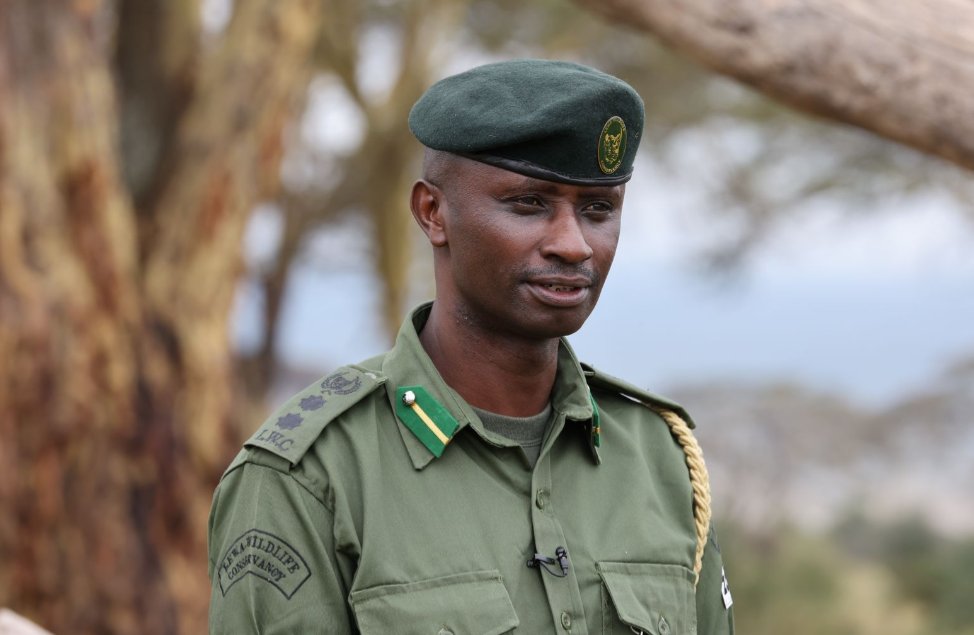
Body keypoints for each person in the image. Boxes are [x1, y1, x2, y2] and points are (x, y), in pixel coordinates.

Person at [208, 58, 735, 634]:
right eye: (529, 203)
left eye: (598, 209)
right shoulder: (312, 479)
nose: (574, 244)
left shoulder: (657, 460)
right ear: (433, 213)